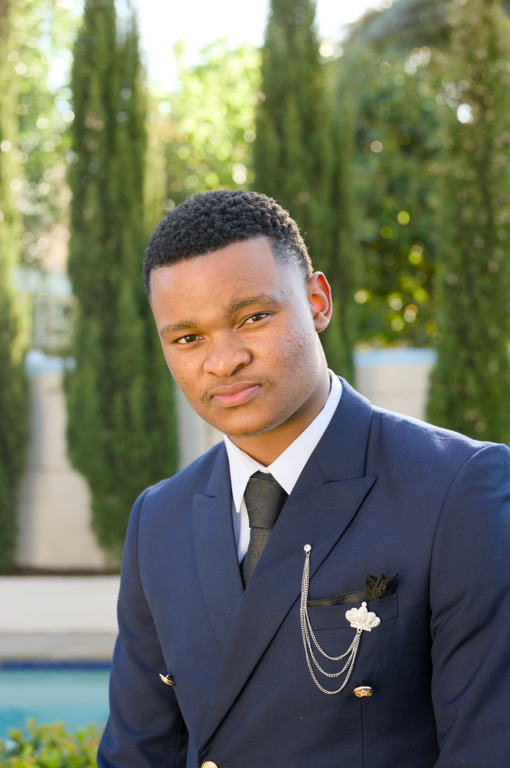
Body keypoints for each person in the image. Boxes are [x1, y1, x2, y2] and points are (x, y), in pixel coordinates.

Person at [97, 190, 510, 768]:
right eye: (188, 338)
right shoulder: (158, 518)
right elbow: (138, 752)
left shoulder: (458, 489)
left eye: (253, 317)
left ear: (317, 302)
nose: (224, 360)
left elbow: (487, 748)